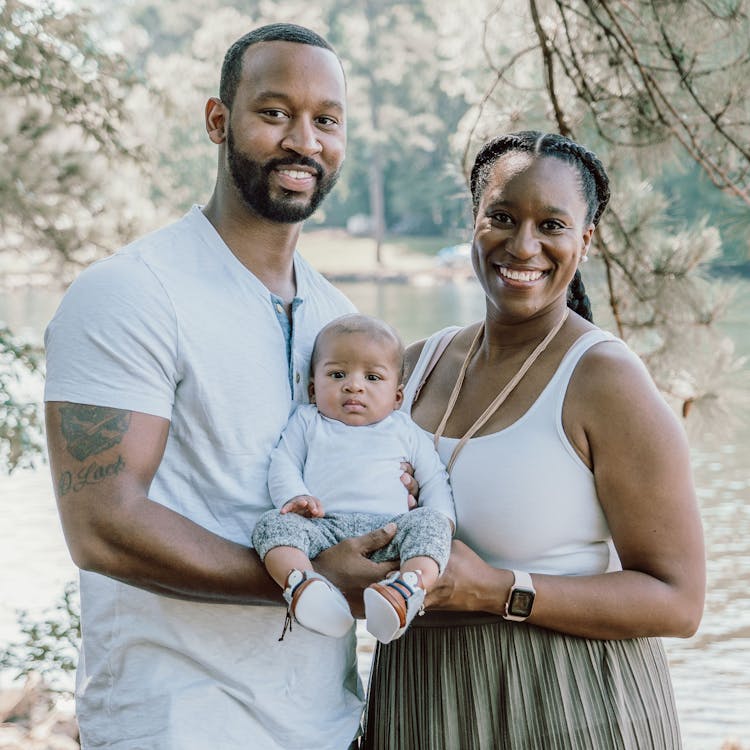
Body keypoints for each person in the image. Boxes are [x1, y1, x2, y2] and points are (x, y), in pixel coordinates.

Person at [43, 23, 415, 750]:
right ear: (220, 121)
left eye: (325, 120)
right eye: (275, 112)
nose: (303, 140)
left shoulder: (341, 322)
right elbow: (103, 527)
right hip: (176, 720)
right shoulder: (130, 293)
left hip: (328, 723)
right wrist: (308, 580)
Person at [362, 131, 706, 749]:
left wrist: (498, 591)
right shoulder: (415, 367)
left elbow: (678, 601)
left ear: (586, 239)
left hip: (570, 703)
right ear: (474, 221)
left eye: (552, 224)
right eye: (502, 216)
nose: (524, 245)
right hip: (419, 700)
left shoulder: (606, 378)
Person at [253, 313, 455, 644]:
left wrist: (443, 520)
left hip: (391, 531)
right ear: (314, 388)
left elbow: (434, 479)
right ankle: (304, 585)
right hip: (323, 528)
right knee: (273, 525)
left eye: (373, 378)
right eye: (337, 374)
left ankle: (407, 588)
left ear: (398, 397)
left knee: (431, 524)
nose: (354, 385)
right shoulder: (308, 421)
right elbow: (284, 462)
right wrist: (295, 497)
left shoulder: (404, 429)